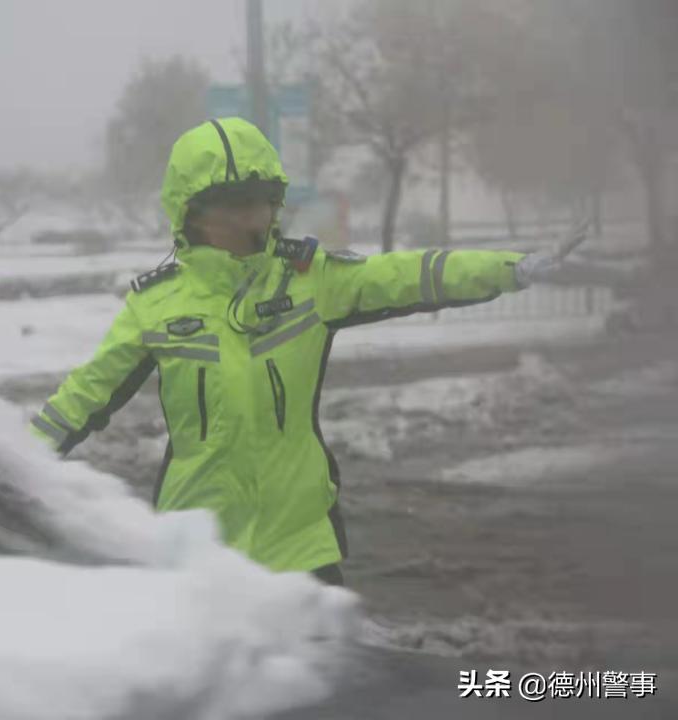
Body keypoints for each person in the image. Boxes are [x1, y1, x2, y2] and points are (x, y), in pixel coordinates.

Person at [29, 117, 586, 585]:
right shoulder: (156, 304)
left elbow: (407, 274)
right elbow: (82, 398)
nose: (255, 217)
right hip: (199, 557)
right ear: (192, 213)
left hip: (301, 550)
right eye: (235, 205)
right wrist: (8, 469)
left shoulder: (308, 279)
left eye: (264, 201)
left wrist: (510, 269)